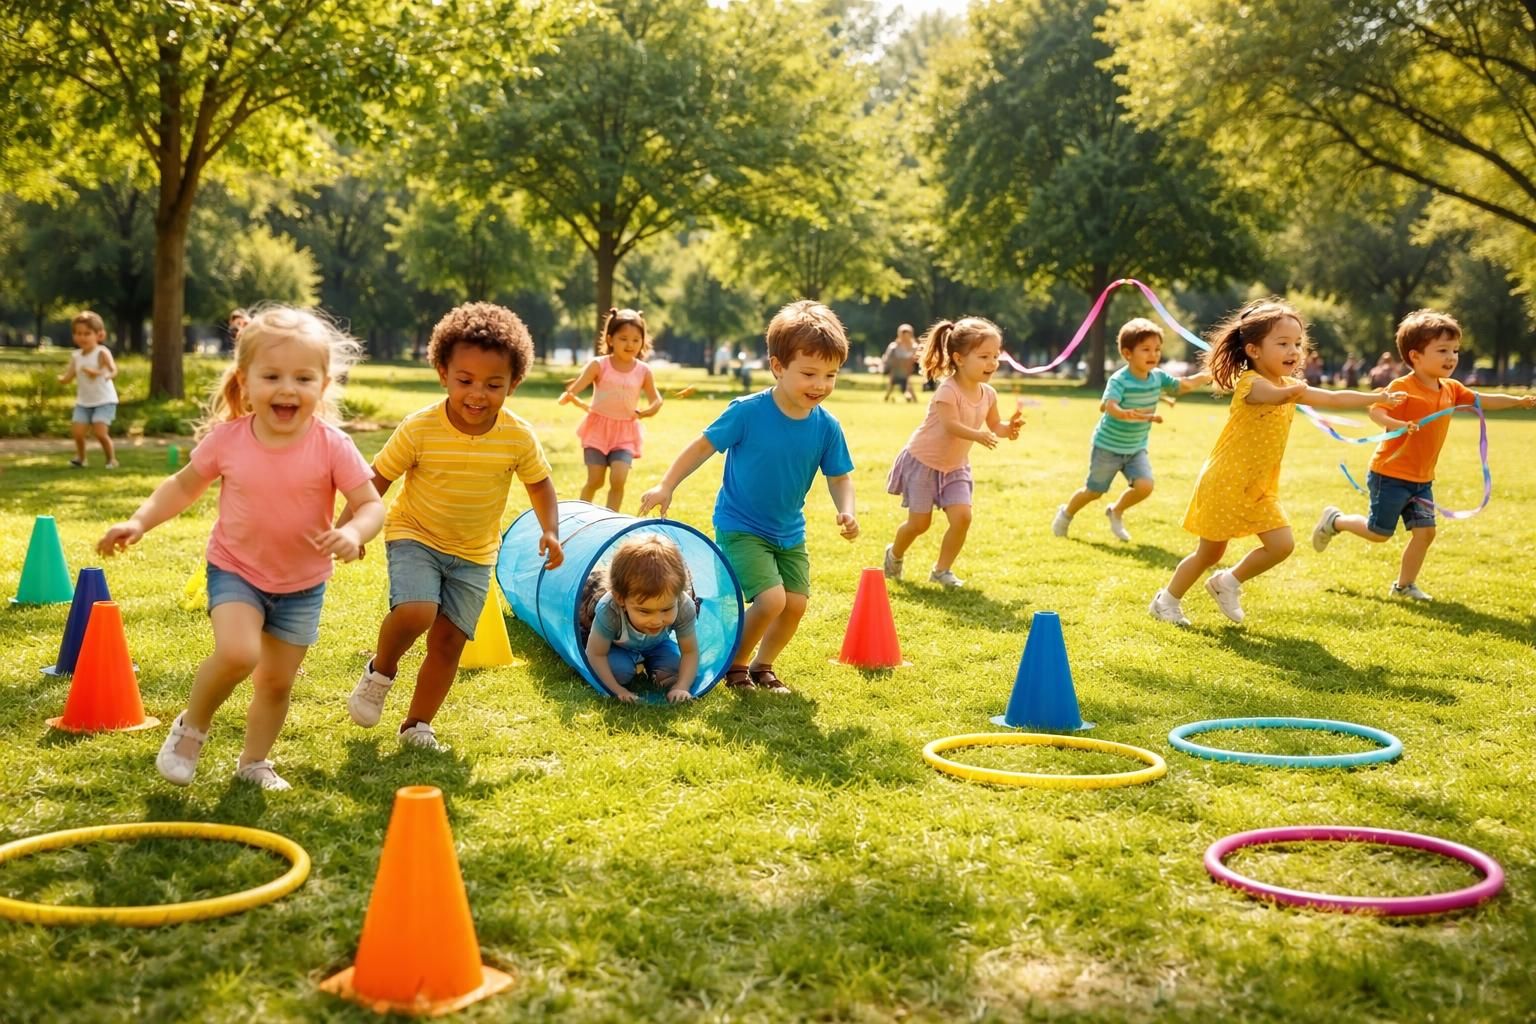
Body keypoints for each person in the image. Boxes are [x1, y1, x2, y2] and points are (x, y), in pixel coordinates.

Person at [96, 307, 385, 790]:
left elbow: (371, 505)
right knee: (237, 652)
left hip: (302, 584)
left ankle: (253, 762)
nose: (287, 388)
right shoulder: (229, 440)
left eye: (303, 377)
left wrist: (354, 534)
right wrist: (139, 520)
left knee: (276, 683)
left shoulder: (332, 444)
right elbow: (183, 486)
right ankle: (191, 729)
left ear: (324, 384)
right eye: (271, 376)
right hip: (236, 570)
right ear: (244, 381)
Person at [346, 302, 564, 751]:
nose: (477, 394)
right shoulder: (419, 428)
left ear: (514, 383)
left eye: (493, 384)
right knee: (417, 611)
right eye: (465, 381)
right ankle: (381, 670)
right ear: (443, 372)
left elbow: (540, 485)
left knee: (448, 643)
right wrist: (350, 525)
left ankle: (417, 724)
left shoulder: (518, 436)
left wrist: (550, 530)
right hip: (416, 535)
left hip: (475, 553)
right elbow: (378, 477)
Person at [639, 300, 858, 695]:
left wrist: (847, 510)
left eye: (830, 375)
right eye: (809, 373)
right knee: (771, 600)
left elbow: (839, 476)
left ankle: (763, 665)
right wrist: (666, 484)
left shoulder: (827, 426)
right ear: (778, 367)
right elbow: (701, 447)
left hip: (789, 531)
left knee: (795, 604)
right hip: (741, 526)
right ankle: (734, 664)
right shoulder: (747, 412)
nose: (820, 385)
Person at [1148, 298, 1405, 627]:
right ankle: (1166, 601)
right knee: (1209, 553)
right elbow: (1272, 395)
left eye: (1297, 343)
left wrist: (1377, 397)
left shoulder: (1289, 386)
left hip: (1258, 485)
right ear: (1254, 350)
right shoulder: (1251, 384)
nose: (1294, 351)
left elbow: (1334, 398)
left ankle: (1227, 582)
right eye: (1283, 343)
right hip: (1226, 480)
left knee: (1281, 545)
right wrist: (1295, 390)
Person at [1312, 310, 1536, 600]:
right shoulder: (1403, 387)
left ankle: (1403, 586)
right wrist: (1398, 425)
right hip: (1390, 475)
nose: (1451, 357)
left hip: (1422, 479)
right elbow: (1377, 411)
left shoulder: (1452, 389)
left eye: (1455, 350)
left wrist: (1518, 401)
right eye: (1442, 350)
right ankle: (1335, 521)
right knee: (1379, 533)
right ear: (1415, 356)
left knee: (1426, 533)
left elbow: (1483, 401)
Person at [882, 317, 1023, 588]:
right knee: (919, 524)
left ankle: (941, 570)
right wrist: (979, 435)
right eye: (984, 356)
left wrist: (1010, 428)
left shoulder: (989, 393)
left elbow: (996, 425)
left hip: (956, 466)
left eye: (995, 356)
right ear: (959, 358)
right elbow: (951, 425)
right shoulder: (947, 390)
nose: (992, 363)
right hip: (923, 462)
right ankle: (895, 554)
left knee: (962, 518)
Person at [1051, 318, 1211, 543]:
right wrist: (1122, 413)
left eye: (1156, 349)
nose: (1153, 354)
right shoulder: (1120, 379)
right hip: (1108, 446)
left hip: (1135, 448)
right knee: (1094, 491)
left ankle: (1115, 511)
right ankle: (1066, 514)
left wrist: (1205, 376)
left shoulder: (1157, 377)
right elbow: (1109, 405)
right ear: (1127, 353)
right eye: (1145, 349)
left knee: (1145, 486)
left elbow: (1182, 386)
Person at [558, 308, 663, 511]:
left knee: (618, 479)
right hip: (597, 429)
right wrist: (568, 396)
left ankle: (609, 520)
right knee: (595, 481)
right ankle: (582, 513)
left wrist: (648, 411)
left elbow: (656, 400)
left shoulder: (643, 371)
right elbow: (578, 386)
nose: (629, 344)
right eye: (623, 338)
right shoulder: (599, 365)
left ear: (642, 341)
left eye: (635, 339)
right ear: (610, 339)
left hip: (625, 432)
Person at [580, 534, 700, 704]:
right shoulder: (609, 609)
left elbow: (690, 651)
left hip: (658, 645)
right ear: (621, 599)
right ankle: (632, 665)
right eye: (645, 611)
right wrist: (617, 690)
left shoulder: (683, 605)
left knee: (675, 670)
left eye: (666, 609)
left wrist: (682, 686)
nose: (657, 620)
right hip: (618, 647)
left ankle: (651, 665)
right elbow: (595, 654)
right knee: (618, 672)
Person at [58, 311, 120, 469]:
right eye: (79, 333)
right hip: (84, 402)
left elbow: (113, 370)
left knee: (100, 433)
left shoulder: (102, 352)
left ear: (99, 335)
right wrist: (62, 379)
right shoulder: (76, 356)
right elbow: (70, 375)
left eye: (87, 333)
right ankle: (81, 458)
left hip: (104, 400)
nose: (82, 337)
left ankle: (111, 459)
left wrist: (102, 374)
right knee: (78, 433)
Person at [882, 324, 919, 403]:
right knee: (891, 385)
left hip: (907, 371)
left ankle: (912, 399)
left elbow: (916, 359)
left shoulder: (914, 347)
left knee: (907, 385)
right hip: (896, 370)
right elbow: (888, 358)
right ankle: (887, 397)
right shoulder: (894, 347)